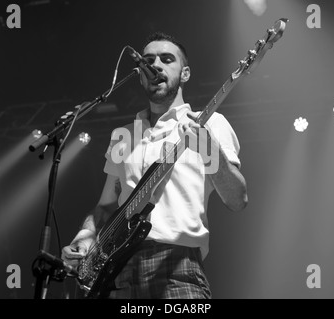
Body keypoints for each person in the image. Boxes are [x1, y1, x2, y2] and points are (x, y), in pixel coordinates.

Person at [61, 31, 248, 299]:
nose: (155, 65)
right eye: (148, 60)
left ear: (185, 74)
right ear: (139, 74)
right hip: (117, 272)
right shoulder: (123, 134)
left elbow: (237, 198)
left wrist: (209, 148)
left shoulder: (210, 123)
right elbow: (105, 206)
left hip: (177, 269)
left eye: (166, 59)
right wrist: (84, 236)